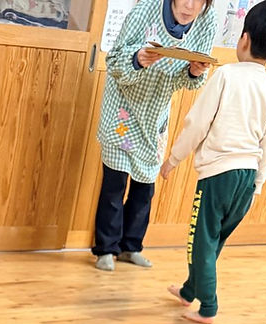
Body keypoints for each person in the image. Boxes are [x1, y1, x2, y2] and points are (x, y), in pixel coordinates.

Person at [160, 0, 266, 324]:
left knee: (199, 242)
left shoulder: (226, 76)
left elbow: (197, 123)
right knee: (213, 241)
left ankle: (208, 307)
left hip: (219, 177)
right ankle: (188, 291)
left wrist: (173, 159)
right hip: (246, 178)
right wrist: (258, 183)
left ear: (244, 39)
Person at [93, 0, 217, 272]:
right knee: (115, 183)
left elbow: (189, 79)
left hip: (156, 112)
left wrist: (194, 72)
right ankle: (106, 249)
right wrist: (138, 59)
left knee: (145, 187)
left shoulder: (208, 21)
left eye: (199, 1)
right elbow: (114, 59)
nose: (189, 5)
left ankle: (131, 246)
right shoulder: (144, 10)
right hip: (122, 108)